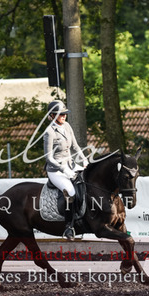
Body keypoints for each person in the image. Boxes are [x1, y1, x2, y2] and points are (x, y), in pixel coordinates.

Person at [43, 100, 89, 240]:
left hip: (70, 165)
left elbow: (75, 146)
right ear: (52, 115)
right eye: (61, 114)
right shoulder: (49, 132)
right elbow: (48, 158)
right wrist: (62, 168)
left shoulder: (67, 126)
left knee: (88, 180)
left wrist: (84, 159)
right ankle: (69, 227)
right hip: (56, 170)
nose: (64, 116)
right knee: (70, 191)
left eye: (65, 114)